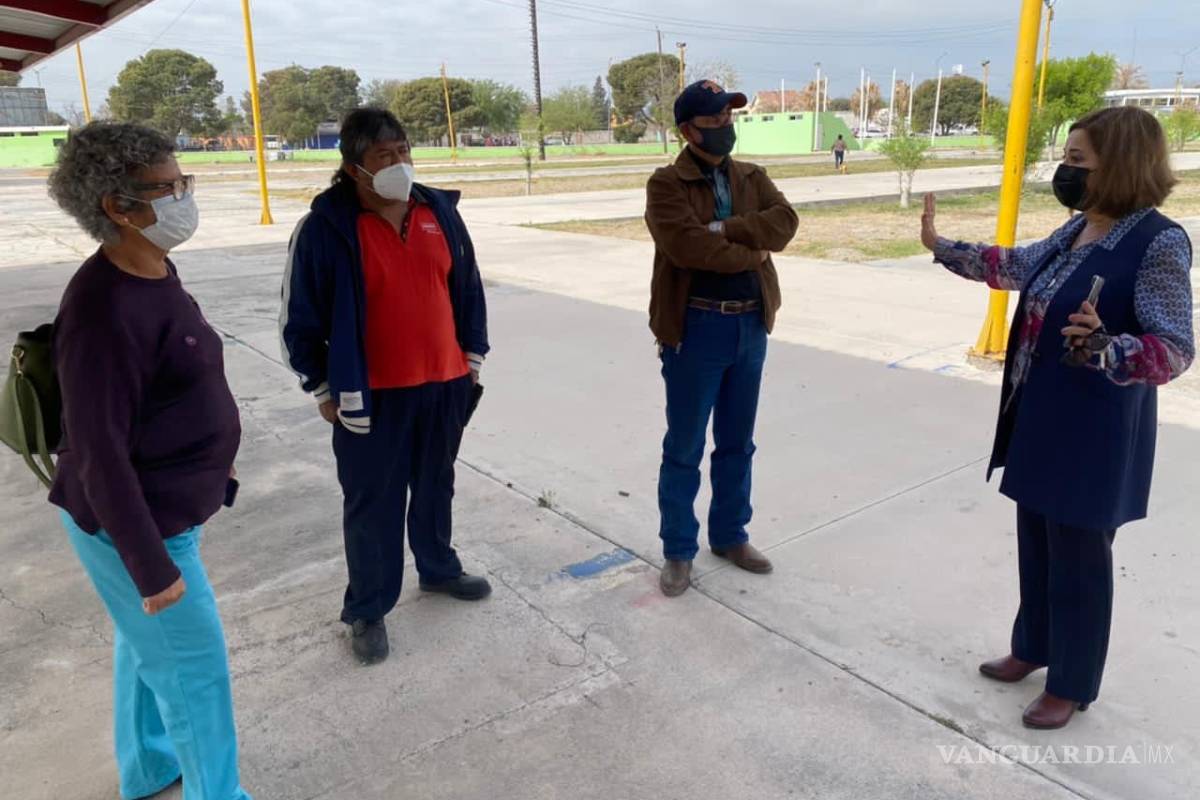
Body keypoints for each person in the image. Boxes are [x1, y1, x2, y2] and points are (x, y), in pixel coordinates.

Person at [921, 106, 1193, 730]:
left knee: (1080, 558)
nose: (1064, 172)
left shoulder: (1158, 242)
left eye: (1077, 162)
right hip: (1041, 414)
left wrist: (1108, 346)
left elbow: (1176, 347)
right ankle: (1033, 647)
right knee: (1037, 542)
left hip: (1094, 428)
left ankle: (1072, 683)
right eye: (1065, 160)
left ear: (1120, 165)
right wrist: (943, 248)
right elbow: (1018, 266)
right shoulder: (1078, 230)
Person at [46, 122, 252, 799]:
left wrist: (211, 461)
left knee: (146, 648)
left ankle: (147, 766)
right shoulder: (100, 310)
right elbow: (98, 450)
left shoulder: (154, 267)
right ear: (116, 205)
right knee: (195, 674)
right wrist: (151, 567)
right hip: (135, 525)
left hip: (170, 508)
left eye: (181, 183)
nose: (181, 199)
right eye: (165, 190)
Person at [281, 108, 491, 665]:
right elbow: (297, 318)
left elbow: (466, 287)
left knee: (435, 484)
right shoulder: (327, 228)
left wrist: (471, 358)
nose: (399, 163)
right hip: (371, 398)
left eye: (403, 150)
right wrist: (323, 387)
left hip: (445, 385)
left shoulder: (438, 210)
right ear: (354, 168)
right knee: (372, 503)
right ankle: (368, 608)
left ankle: (439, 568)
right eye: (383, 155)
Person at [644, 80, 800, 598]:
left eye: (731, 119)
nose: (726, 129)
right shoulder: (666, 185)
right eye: (714, 122)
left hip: (751, 324)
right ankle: (678, 551)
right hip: (697, 328)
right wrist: (751, 248)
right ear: (688, 130)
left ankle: (730, 536)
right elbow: (688, 248)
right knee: (685, 446)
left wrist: (724, 228)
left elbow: (784, 224)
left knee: (738, 442)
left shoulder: (753, 175)